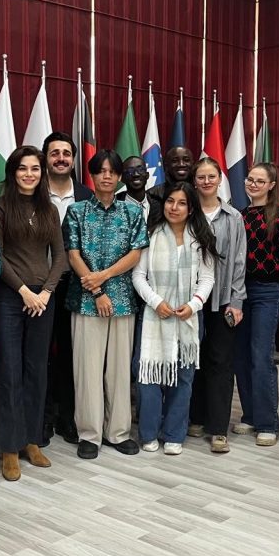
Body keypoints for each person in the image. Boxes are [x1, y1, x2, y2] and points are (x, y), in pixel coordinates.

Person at [64, 149, 149, 459]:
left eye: (112, 171)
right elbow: (73, 254)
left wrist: (104, 276)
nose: (107, 176)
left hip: (123, 300)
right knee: (86, 370)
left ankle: (118, 432)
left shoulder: (132, 212)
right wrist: (97, 290)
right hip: (86, 301)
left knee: (119, 371)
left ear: (119, 177)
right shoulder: (76, 211)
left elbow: (136, 253)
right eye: (101, 171)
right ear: (92, 175)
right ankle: (89, 434)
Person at [0, 145, 68, 480]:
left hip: (43, 299)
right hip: (10, 297)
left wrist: (46, 292)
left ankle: (31, 440)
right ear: (13, 172)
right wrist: (24, 291)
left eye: (35, 168)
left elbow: (60, 256)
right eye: (23, 168)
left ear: (42, 173)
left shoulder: (49, 209)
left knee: (37, 370)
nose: (29, 174)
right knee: (9, 371)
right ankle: (9, 447)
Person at [132, 182, 214, 455]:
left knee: (183, 378)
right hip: (154, 316)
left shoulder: (200, 237)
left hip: (188, 318)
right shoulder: (151, 235)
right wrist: (156, 302)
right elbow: (138, 276)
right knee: (147, 377)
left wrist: (193, 304)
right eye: (170, 201)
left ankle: (174, 434)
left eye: (181, 203)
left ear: (191, 208)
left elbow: (207, 279)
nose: (174, 207)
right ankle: (148, 433)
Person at [234, 163, 279, 447]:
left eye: (260, 181)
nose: (253, 184)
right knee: (241, 358)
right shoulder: (239, 216)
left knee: (261, 357)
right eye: (250, 179)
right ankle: (249, 415)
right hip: (240, 293)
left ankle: (267, 423)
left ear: (271, 185)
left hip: (268, 292)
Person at [188, 157, 246, 454]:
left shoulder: (233, 217)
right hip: (191, 300)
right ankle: (196, 417)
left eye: (212, 176)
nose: (207, 181)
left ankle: (219, 428)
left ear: (220, 179)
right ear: (194, 181)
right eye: (201, 177)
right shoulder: (186, 212)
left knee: (220, 362)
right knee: (194, 359)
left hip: (222, 298)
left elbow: (239, 261)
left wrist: (236, 300)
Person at [42, 131, 93, 444]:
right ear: (45, 158)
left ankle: (68, 418)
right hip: (40, 287)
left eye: (66, 154)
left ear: (73, 160)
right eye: (54, 153)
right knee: (41, 354)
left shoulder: (86, 195)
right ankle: (43, 418)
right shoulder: (33, 190)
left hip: (76, 285)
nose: (61, 159)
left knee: (72, 354)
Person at [145, 145, 195, 219]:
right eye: (175, 161)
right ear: (166, 165)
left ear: (193, 164)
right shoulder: (153, 195)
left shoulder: (200, 194)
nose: (181, 164)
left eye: (186, 160)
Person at [118, 155, 151, 221]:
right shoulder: (114, 206)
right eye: (130, 171)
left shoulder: (158, 204)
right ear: (122, 179)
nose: (136, 174)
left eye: (140, 170)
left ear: (147, 175)